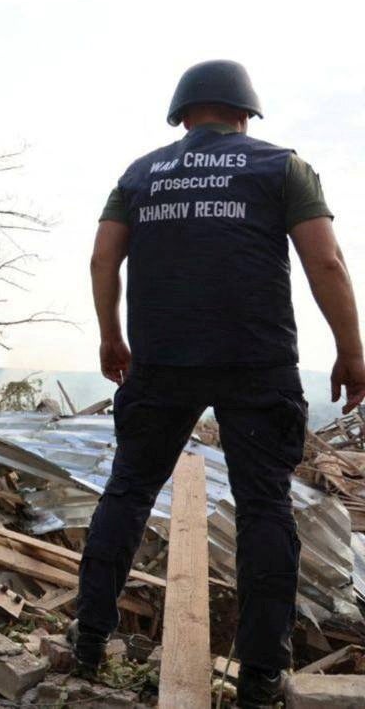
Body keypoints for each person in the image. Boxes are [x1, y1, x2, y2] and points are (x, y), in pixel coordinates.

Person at [74, 59, 365, 708]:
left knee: (127, 489)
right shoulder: (280, 167)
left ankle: (88, 642)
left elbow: (102, 256)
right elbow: (326, 258)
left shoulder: (140, 174)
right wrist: (351, 350)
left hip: (160, 360)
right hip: (256, 362)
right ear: (245, 114)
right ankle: (262, 677)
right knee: (264, 505)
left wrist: (110, 335)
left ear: (181, 116)